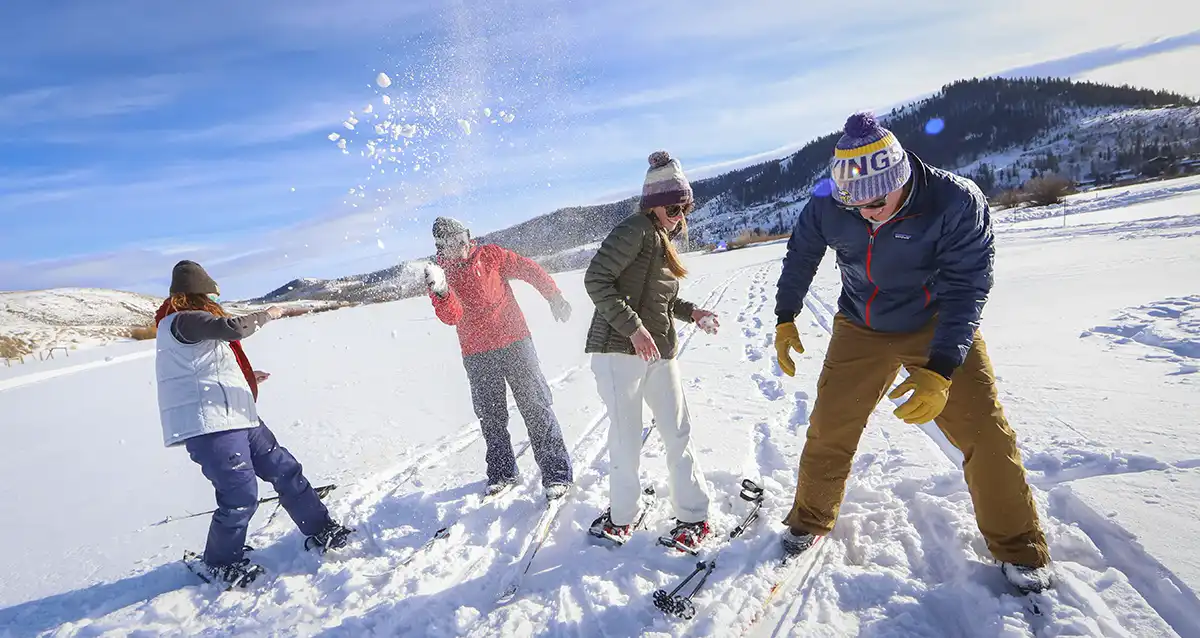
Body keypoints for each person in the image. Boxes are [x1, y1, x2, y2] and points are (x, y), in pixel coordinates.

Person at [773, 112, 1053, 593]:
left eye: (878, 202)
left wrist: (941, 369)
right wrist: (785, 314)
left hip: (936, 322)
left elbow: (969, 288)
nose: (867, 213)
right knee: (830, 426)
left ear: (900, 177)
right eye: (854, 205)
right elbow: (801, 252)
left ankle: (1020, 547)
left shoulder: (955, 201)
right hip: (861, 324)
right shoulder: (830, 202)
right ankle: (811, 517)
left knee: (984, 432)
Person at [154, 260, 352, 588]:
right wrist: (270, 313)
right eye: (208, 296)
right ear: (196, 296)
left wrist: (246, 377)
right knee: (239, 493)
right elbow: (233, 328)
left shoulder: (190, 326)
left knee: (284, 468)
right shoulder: (182, 321)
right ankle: (219, 562)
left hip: (238, 415)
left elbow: (206, 367)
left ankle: (320, 527)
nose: (212, 303)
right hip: (212, 425)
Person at [583, 150, 719, 550]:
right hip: (618, 351)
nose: (680, 215)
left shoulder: (661, 239)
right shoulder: (635, 230)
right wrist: (635, 328)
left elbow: (660, 301)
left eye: (685, 207)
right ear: (653, 205)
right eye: (674, 207)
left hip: (657, 351)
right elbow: (597, 280)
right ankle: (622, 517)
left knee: (677, 430)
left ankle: (694, 516)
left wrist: (692, 312)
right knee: (626, 437)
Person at [423, 217, 575, 500]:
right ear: (442, 248)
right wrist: (442, 292)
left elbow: (529, 270)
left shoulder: (490, 255)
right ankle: (503, 471)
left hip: (516, 342)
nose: (462, 246)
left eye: (464, 238)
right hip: (477, 353)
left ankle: (556, 473)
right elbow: (452, 316)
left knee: (535, 405)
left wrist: (553, 295)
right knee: (491, 416)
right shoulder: (440, 274)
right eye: (454, 243)